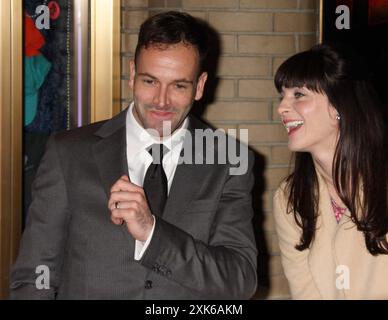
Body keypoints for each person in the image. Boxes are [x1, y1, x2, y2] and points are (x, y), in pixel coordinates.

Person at [10, 11, 257, 299]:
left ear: (199, 86)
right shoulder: (68, 152)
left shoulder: (228, 160)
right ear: (131, 75)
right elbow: (35, 273)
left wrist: (152, 232)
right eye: (150, 81)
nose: (161, 101)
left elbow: (240, 279)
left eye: (178, 85)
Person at [272, 43, 388, 299]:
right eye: (283, 95)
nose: (282, 107)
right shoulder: (289, 198)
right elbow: (304, 293)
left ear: (338, 107)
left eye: (298, 95)